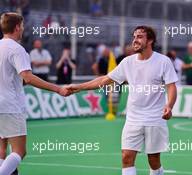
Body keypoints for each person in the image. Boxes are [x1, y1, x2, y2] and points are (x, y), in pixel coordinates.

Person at [66, 26, 178, 175]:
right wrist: (79, 87)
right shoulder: (127, 62)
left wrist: (169, 106)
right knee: (126, 157)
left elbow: (171, 87)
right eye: (134, 37)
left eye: (139, 37)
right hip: (133, 118)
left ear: (150, 40)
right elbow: (106, 79)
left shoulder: (163, 61)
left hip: (155, 118)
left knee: (154, 160)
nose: (135, 40)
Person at [0, 12, 71, 175]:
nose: (23, 29)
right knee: (19, 151)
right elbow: (28, 78)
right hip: (11, 105)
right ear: (17, 27)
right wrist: (58, 88)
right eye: (22, 26)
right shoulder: (17, 49)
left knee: (2, 149)